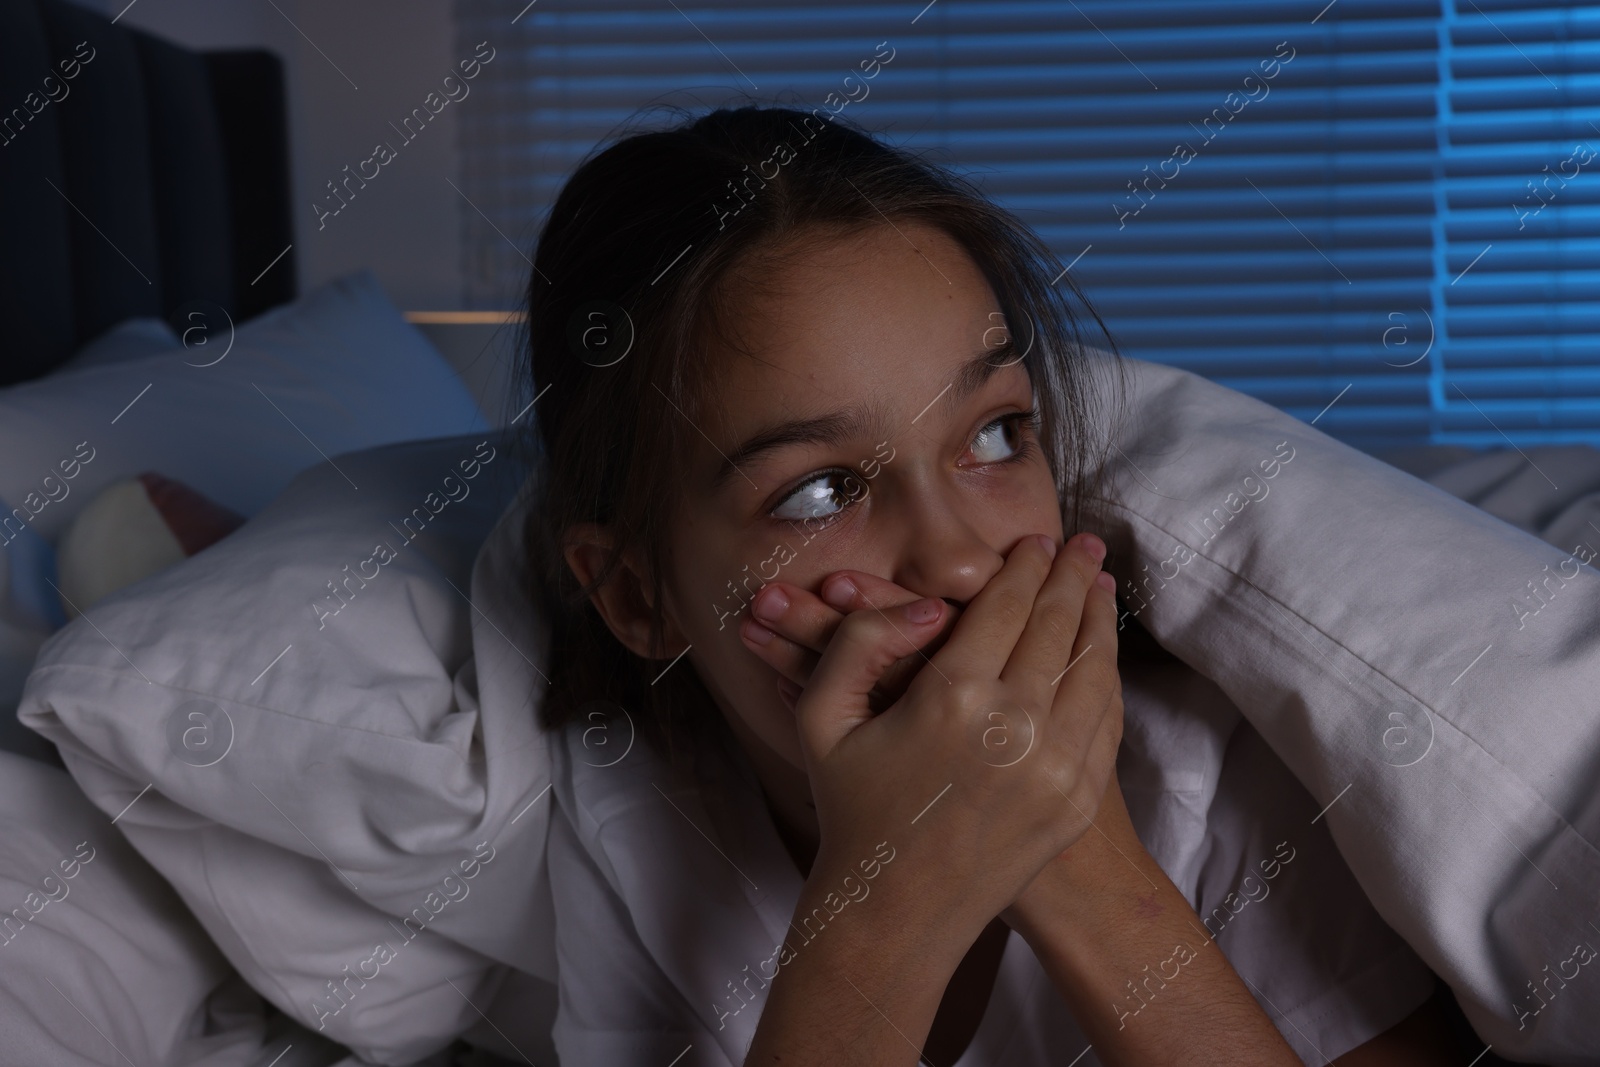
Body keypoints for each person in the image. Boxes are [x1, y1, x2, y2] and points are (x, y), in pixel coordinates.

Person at [518, 103, 1462, 1065]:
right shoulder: (637, 807)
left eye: (996, 434)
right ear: (640, 596)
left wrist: (1076, 856)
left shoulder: (1215, 778)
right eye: (818, 491)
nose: (962, 560)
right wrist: (895, 893)